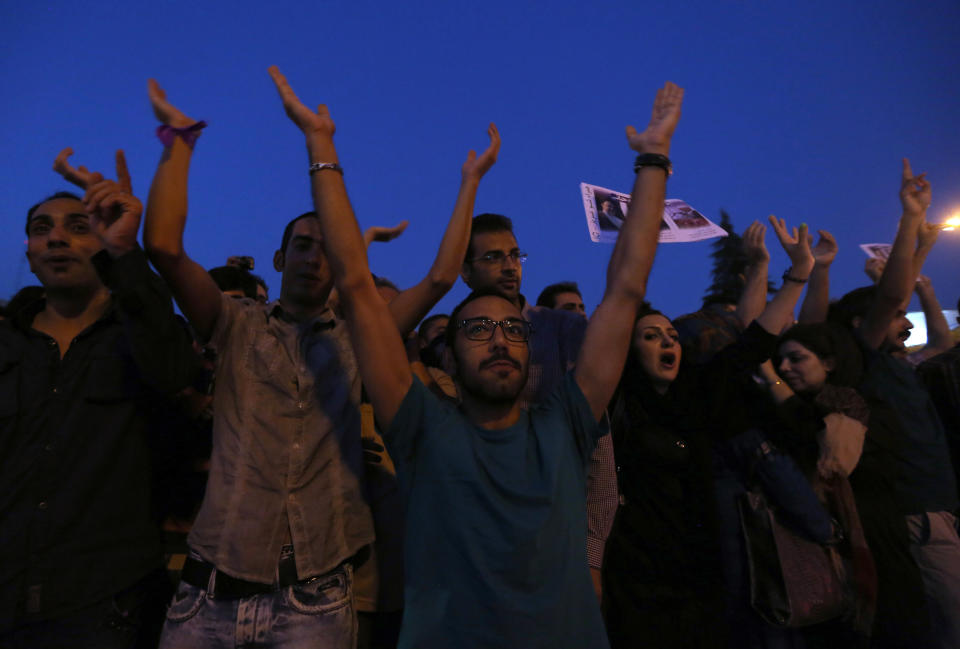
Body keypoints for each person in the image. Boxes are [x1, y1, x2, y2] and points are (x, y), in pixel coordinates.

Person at [269, 64, 682, 648]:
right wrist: (321, 145)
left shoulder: (565, 424)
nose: (498, 338)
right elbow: (358, 289)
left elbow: (625, 288)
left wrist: (653, 161)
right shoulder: (421, 427)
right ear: (451, 354)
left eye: (512, 329)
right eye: (479, 328)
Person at [144, 76, 498, 648]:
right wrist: (178, 141)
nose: (314, 257)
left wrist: (469, 182)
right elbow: (162, 247)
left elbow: (439, 277)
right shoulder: (234, 324)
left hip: (313, 601)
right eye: (302, 246)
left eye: (326, 248)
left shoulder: (361, 339)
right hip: (209, 594)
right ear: (280, 256)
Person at [0, 150, 197, 648]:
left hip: (106, 606)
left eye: (78, 227)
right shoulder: (8, 344)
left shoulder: (139, 333)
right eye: (42, 228)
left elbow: (174, 371)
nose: (57, 238)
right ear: (28, 252)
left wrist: (127, 255)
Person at [602, 214, 819, 649]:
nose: (667, 342)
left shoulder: (699, 392)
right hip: (636, 573)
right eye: (651, 336)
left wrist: (798, 276)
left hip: (698, 567)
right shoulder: (612, 406)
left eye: (670, 334)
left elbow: (752, 343)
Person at [827, 160, 959, 649]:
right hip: (916, 515)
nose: (903, 320)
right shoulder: (866, 358)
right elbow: (891, 295)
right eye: (894, 313)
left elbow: (941, 342)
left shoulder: (901, 363)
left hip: (942, 507)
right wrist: (909, 221)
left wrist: (923, 248)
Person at [767, 323, 932, 647]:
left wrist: (770, 379)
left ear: (828, 363)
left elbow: (812, 433)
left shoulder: (859, 410)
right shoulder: (785, 418)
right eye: (779, 361)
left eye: (796, 358)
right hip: (822, 559)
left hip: (875, 544)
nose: (784, 368)